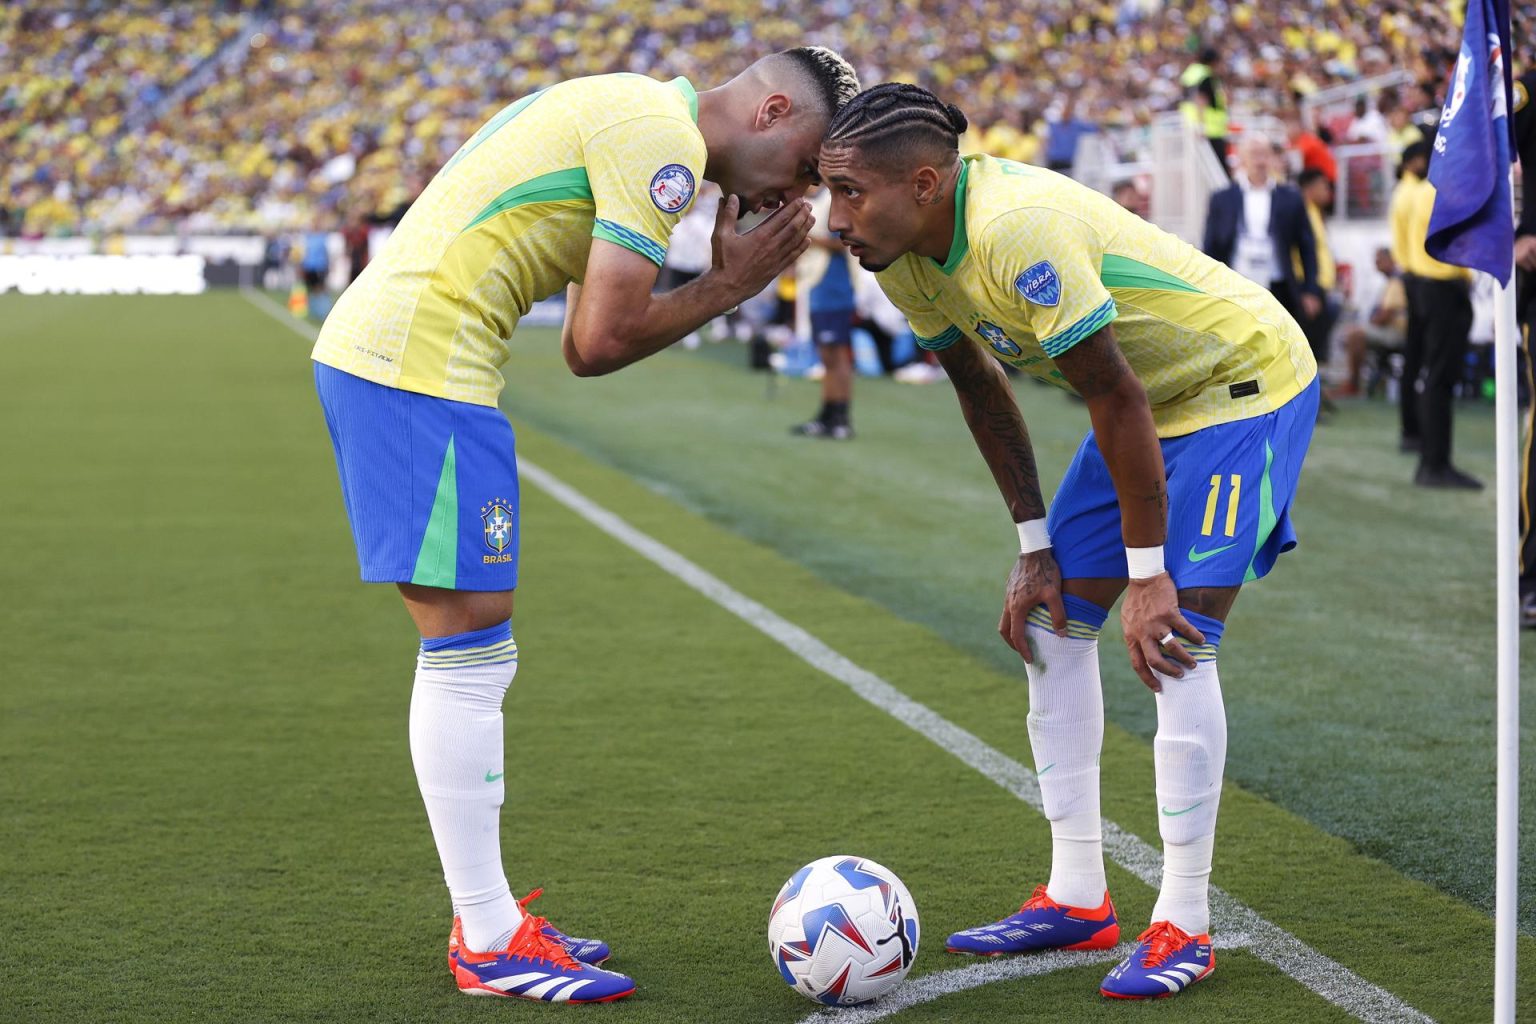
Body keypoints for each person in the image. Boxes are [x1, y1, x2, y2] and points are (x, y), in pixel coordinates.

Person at [309, 48, 859, 1004]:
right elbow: (603, 342)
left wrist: (719, 283)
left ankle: (488, 921)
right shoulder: (664, 145)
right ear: (772, 110)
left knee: (476, 642)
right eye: (811, 164)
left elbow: (576, 347)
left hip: (412, 359)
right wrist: (731, 287)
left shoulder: (636, 115)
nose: (804, 190)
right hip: (419, 363)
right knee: (470, 646)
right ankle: (486, 937)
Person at [819, 83, 1318, 1001]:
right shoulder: (898, 256)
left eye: (849, 192)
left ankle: (1186, 922)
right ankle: (1081, 893)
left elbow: (1115, 396)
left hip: (1239, 383)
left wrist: (1148, 576)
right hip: (1145, 399)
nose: (832, 216)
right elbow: (979, 389)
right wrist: (1034, 543)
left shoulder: (1020, 230)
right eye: (828, 190)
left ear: (925, 182)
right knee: (1051, 623)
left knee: (1175, 641)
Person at [1403, 148, 1479, 489]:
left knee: (1433, 374)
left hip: (1430, 287)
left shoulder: (1423, 189)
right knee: (1439, 377)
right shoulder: (1442, 191)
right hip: (1442, 288)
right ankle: (1435, 464)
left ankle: (1433, 461)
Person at [1203, 133, 1322, 326]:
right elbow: (1211, 246)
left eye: (1264, 154)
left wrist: (1311, 289)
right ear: (1242, 158)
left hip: (1278, 283)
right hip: (1237, 282)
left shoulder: (1290, 198)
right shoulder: (1222, 199)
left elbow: (1307, 246)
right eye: (1254, 154)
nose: (1260, 161)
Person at [791, 186, 861, 438]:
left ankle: (840, 417)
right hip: (820, 283)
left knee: (838, 353)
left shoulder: (833, 199)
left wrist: (805, 238)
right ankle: (829, 414)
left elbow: (842, 241)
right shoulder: (822, 199)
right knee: (828, 354)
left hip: (833, 283)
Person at [1389, 141, 1431, 452]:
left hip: (1411, 275)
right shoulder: (1412, 193)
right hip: (1418, 276)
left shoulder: (1403, 192)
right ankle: (1413, 429)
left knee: (1414, 357)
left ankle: (1411, 429)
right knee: (1417, 358)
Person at [1339, 248, 1409, 396]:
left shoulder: (1397, 280)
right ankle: (1361, 382)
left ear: (1390, 260)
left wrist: (1371, 323)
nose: (1376, 264)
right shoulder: (1391, 281)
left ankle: (1353, 384)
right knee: (1354, 332)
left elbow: (1386, 315)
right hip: (1392, 330)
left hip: (1397, 332)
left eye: (1379, 260)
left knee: (1355, 335)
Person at [1295, 168, 1339, 374]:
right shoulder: (1302, 213)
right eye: (1324, 187)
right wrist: (1307, 288)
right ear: (1309, 189)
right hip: (1310, 286)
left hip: (1320, 285)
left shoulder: (1315, 213)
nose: (1328, 192)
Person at [1179, 47, 1230, 177]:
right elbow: (1201, 100)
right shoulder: (1206, 76)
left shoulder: (1190, 73)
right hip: (1209, 130)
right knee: (1218, 170)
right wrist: (1201, 126)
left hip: (1191, 126)